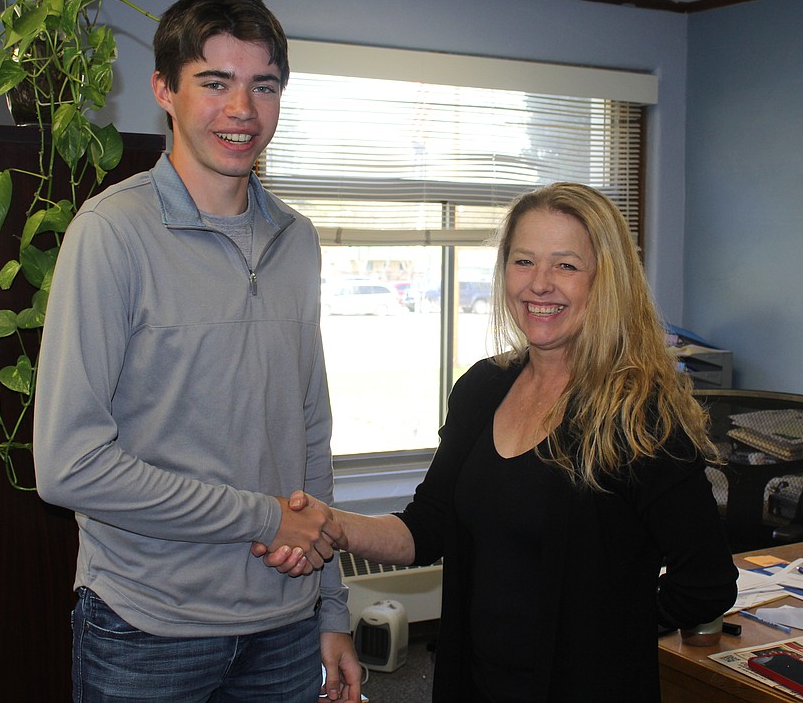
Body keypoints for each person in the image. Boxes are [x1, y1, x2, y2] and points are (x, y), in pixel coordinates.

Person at [260, 182, 738, 701]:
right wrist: (329, 524)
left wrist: (605, 634)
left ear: (606, 281)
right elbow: (427, 528)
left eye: (567, 266)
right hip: (475, 679)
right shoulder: (483, 388)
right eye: (524, 261)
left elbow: (706, 581)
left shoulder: (638, 415)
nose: (540, 284)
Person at [33, 0, 361, 703]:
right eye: (215, 83)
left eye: (263, 86)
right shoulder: (111, 234)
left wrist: (332, 610)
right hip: (147, 628)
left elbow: (310, 433)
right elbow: (69, 465)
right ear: (165, 92)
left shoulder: (296, 241)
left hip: (284, 622)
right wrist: (263, 515)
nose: (242, 110)